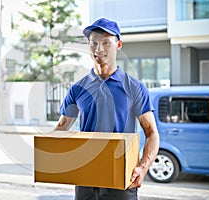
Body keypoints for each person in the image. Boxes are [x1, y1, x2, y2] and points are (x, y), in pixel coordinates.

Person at [54, 18, 160, 200]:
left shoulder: (134, 88)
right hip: (85, 180)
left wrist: (143, 169)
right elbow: (61, 129)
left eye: (106, 43)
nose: (99, 49)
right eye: (94, 43)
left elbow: (152, 133)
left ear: (118, 45)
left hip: (122, 180)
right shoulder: (77, 89)